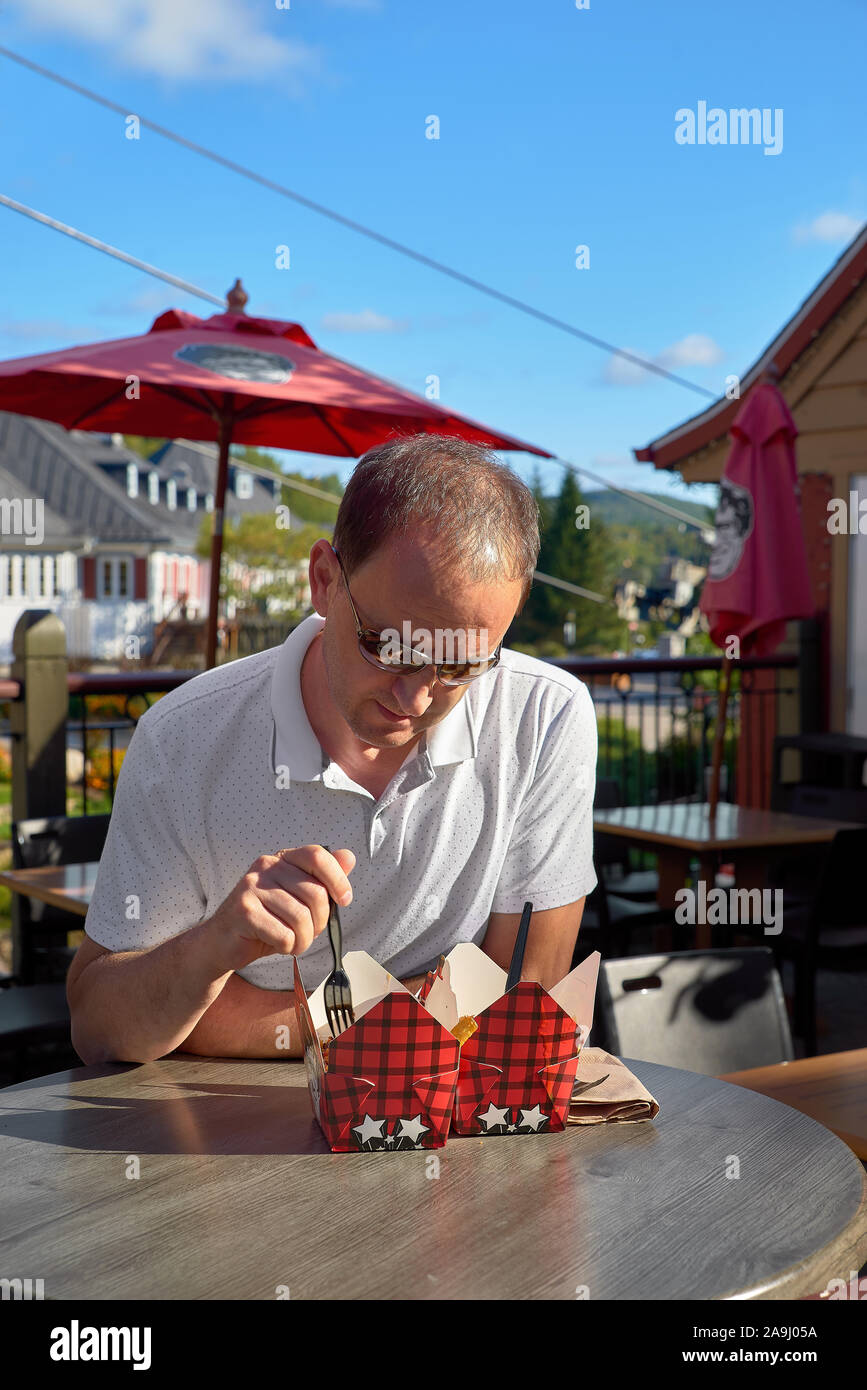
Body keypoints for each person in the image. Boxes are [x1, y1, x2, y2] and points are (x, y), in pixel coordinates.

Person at [67, 434, 598, 1064]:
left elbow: (523, 1006)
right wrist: (211, 951)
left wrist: (251, 1014)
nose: (418, 695)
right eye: (390, 646)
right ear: (324, 581)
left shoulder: (543, 715)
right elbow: (99, 1028)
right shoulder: (182, 737)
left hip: (444, 1130)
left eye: (462, 666)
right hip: (229, 1135)